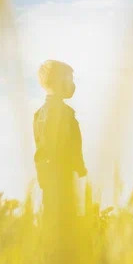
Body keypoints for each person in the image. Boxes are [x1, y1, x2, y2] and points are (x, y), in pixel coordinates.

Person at [34, 60, 87, 225]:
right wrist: (79, 170)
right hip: (62, 184)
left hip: (50, 183)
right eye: (70, 79)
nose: (73, 85)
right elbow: (65, 149)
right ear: (59, 81)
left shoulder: (39, 115)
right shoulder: (62, 114)